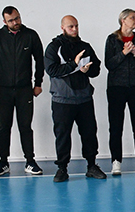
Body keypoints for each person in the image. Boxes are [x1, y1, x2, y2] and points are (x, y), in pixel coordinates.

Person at [45, 15, 107, 182]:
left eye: (76, 26)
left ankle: (92, 165)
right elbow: (52, 70)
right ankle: (62, 169)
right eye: (71, 26)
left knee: (89, 134)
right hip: (62, 100)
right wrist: (74, 64)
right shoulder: (53, 47)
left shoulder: (85, 46)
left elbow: (96, 69)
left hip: (84, 99)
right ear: (62, 28)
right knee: (62, 135)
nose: (74, 29)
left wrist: (88, 70)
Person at [0, 6, 44, 177]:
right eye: (11, 20)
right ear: (4, 22)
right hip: (3, 90)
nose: (15, 22)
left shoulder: (30, 35)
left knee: (25, 126)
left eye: (17, 18)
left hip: (24, 89)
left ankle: (30, 161)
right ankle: (3, 162)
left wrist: (38, 83)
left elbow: (40, 60)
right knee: (4, 127)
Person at [104, 9, 135, 175]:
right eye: (133, 18)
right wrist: (124, 53)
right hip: (116, 88)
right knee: (116, 126)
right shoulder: (112, 39)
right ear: (123, 20)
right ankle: (116, 162)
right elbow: (109, 64)